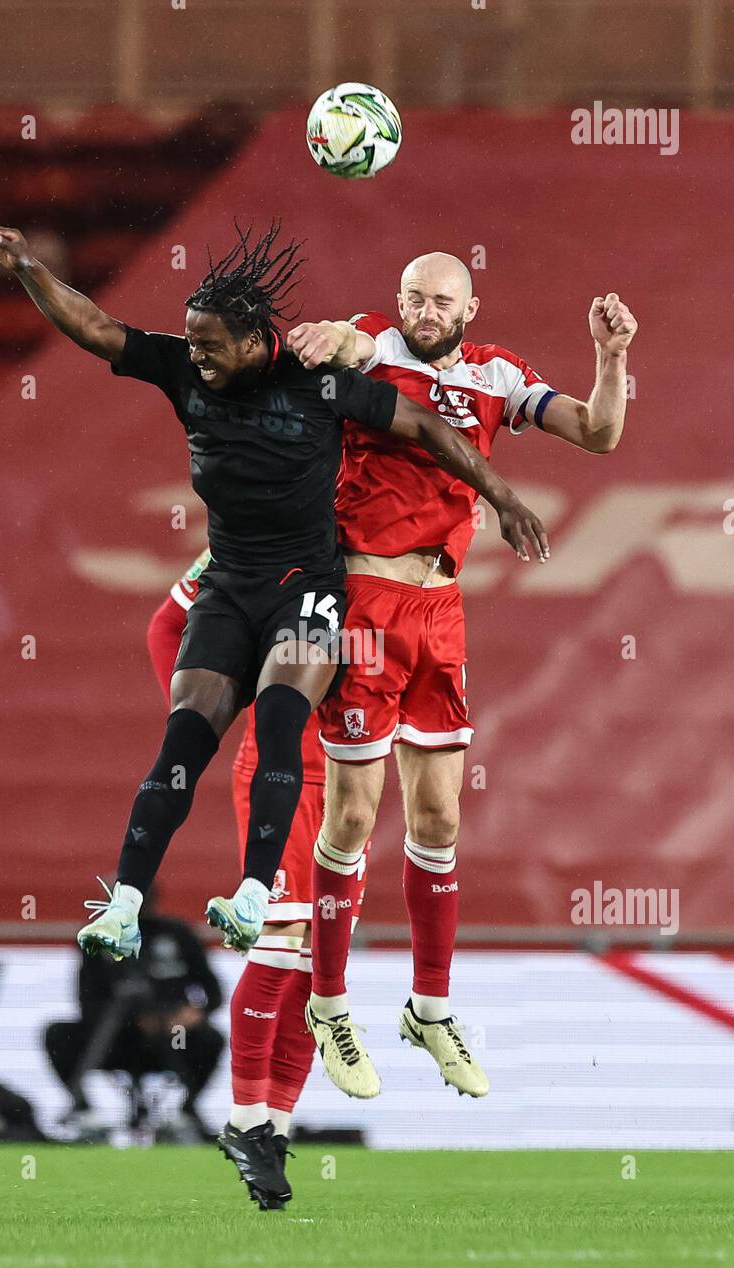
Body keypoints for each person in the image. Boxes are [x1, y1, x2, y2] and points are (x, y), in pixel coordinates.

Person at [0, 221, 547, 1204]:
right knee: (279, 932)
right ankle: (249, 1103)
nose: (196, 356)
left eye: (211, 343)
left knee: (330, 913)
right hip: (292, 729)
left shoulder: (332, 428)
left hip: (336, 715)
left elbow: (412, 410)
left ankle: (274, 1116)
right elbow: (175, 630)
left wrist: (493, 485)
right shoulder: (239, 561)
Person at [286, 254, 636, 1100]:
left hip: (441, 613)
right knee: (353, 814)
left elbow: (598, 432)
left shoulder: (498, 373)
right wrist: (322, 335)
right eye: (414, 295)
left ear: (471, 304)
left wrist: (613, 356)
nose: (426, 309)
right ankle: (328, 1003)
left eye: (443, 299)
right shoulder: (373, 345)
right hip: (364, 598)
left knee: (440, 815)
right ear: (397, 299)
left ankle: (430, 1008)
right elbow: (335, 341)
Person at [147, 549, 351, 1206]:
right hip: (282, 776)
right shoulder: (268, 534)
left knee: (317, 966)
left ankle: (275, 1130)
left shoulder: (389, 544)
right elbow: (165, 625)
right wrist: (201, 727)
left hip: (354, 781)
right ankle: (243, 1119)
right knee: (282, 938)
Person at [44, 886, 224, 1138]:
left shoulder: (177, 934)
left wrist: (193, 1013)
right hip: (114, 1041)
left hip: (175, 1038)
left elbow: (213, 993)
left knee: (212, 1038)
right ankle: (86, 1112)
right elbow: (87, 1003)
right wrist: (134, 1021)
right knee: (57, 1034)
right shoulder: (96, 938)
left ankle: (186, 1111)